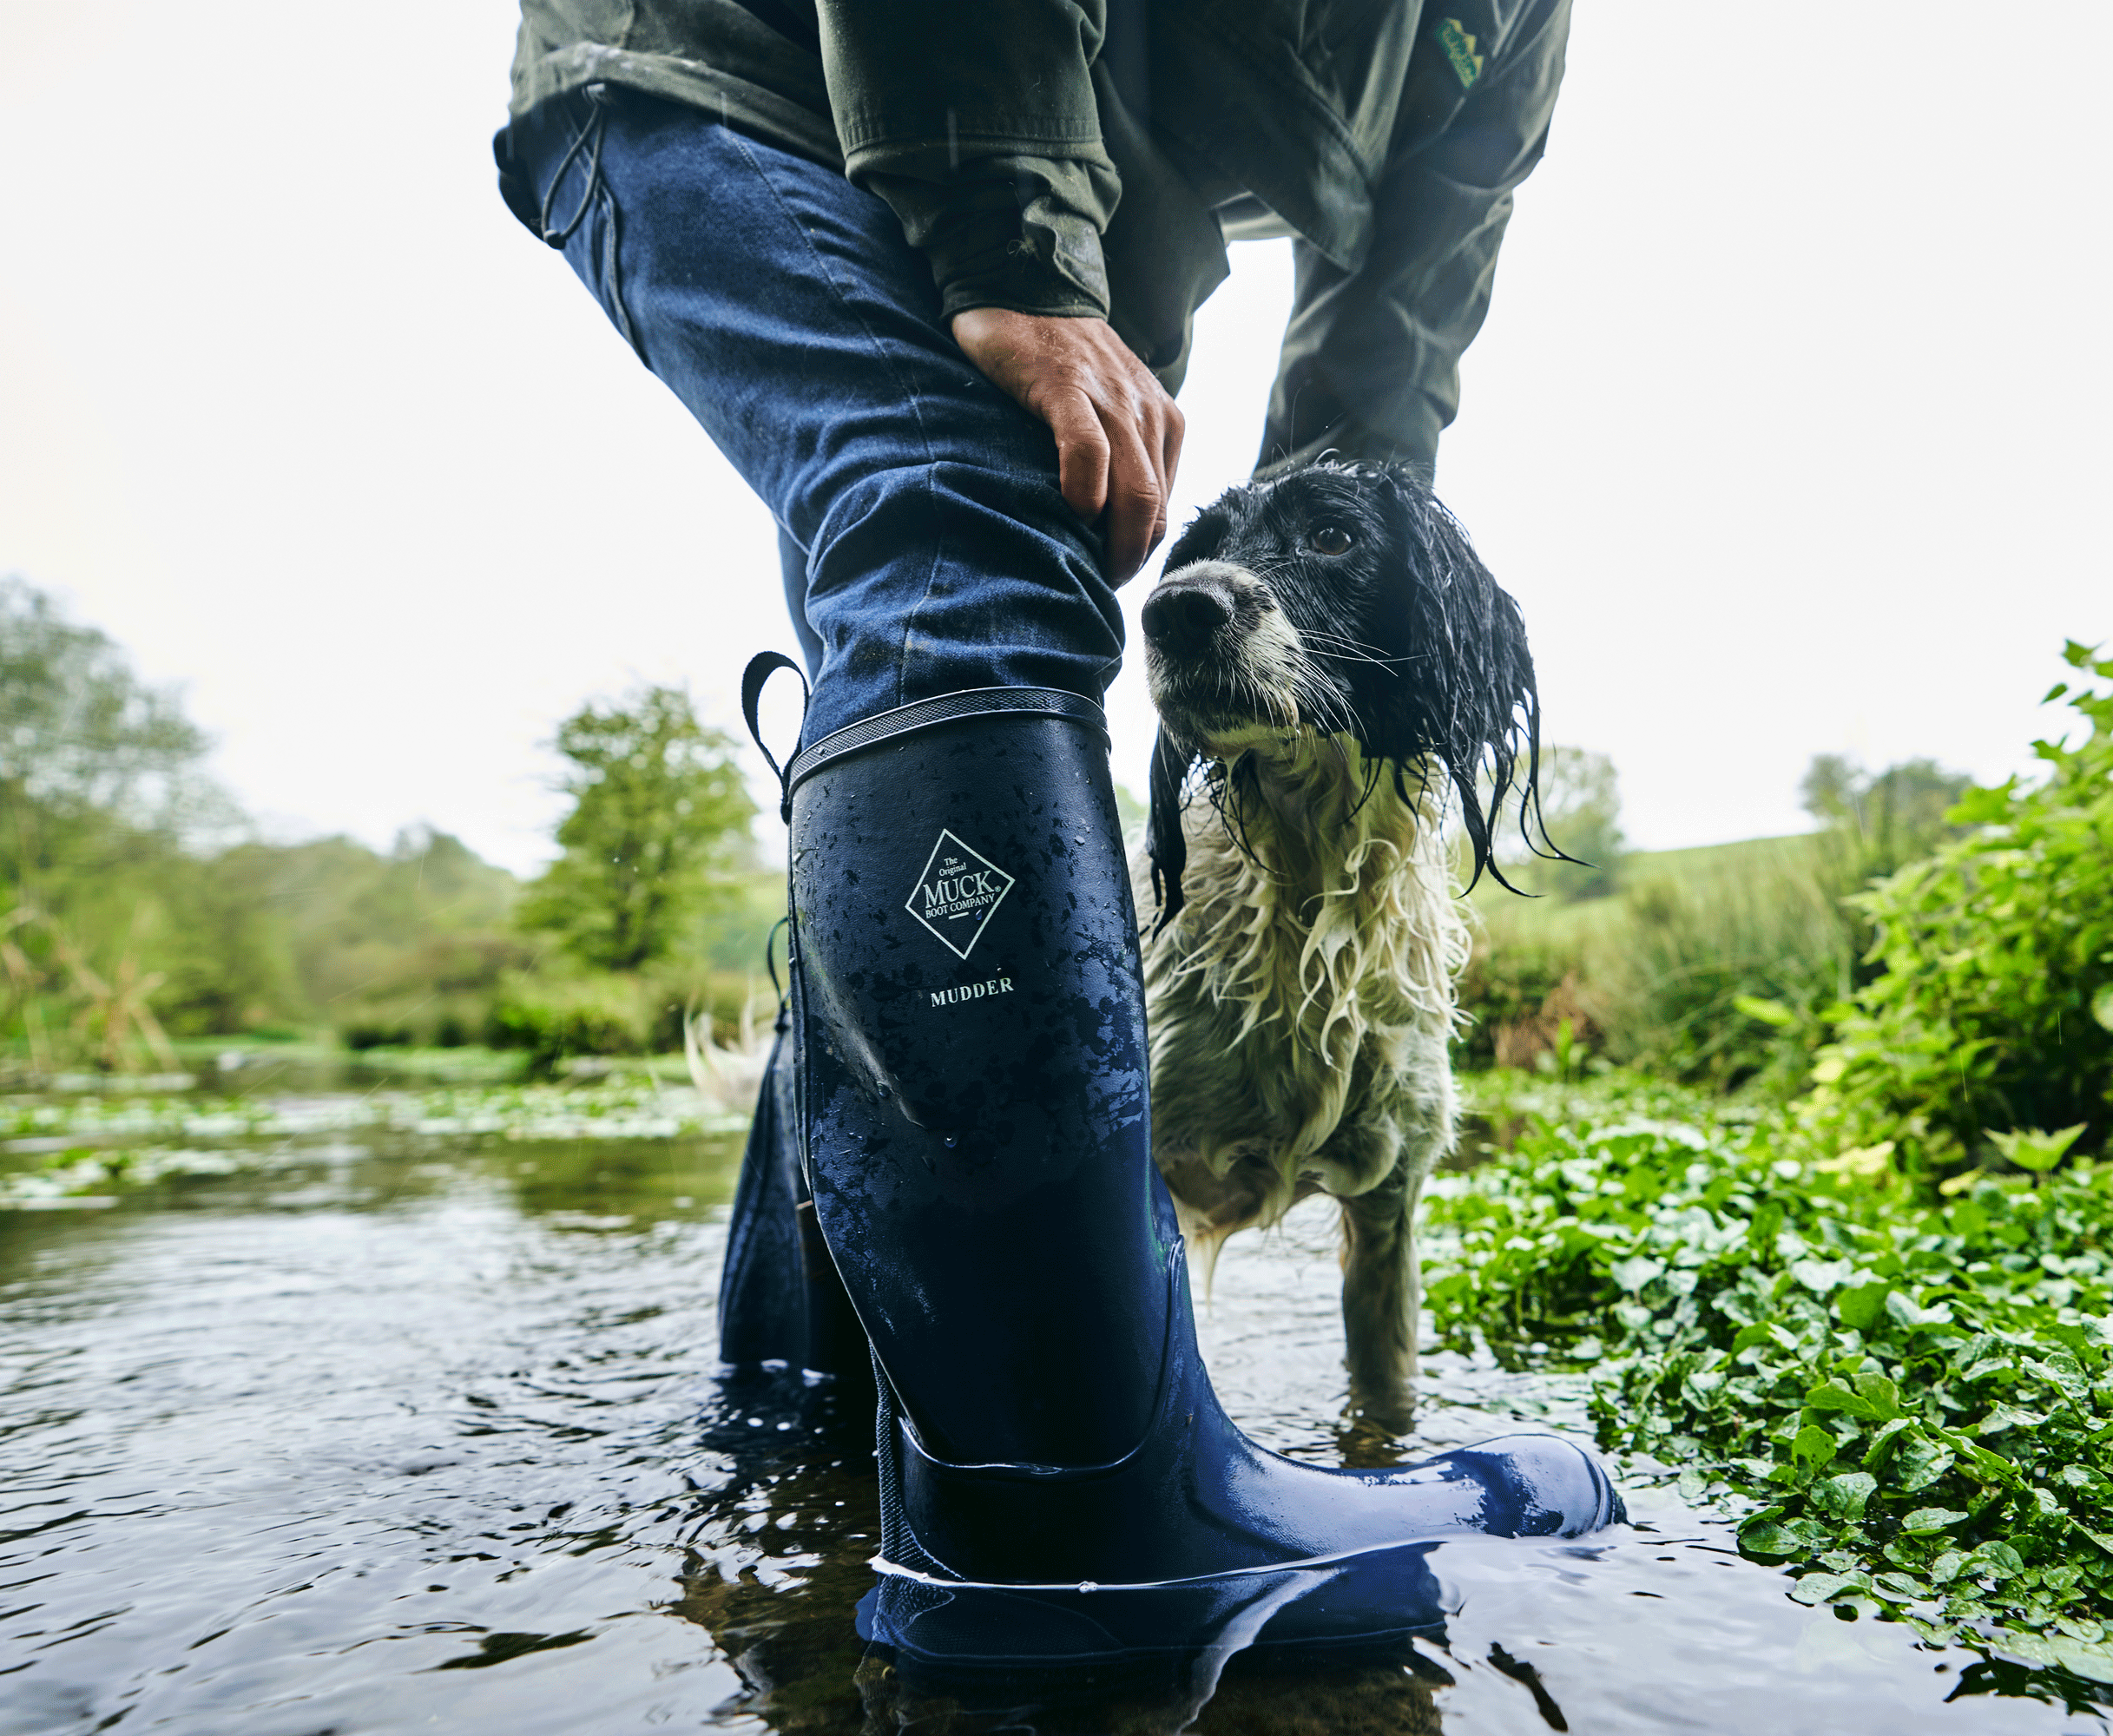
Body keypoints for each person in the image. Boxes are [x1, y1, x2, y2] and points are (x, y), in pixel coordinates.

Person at [494, 0, 1617, 1597]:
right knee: (966, 545)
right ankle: (1075, 1512)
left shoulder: (1512, 26)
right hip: (745, 71)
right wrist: (1011, 248)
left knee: (969, 650)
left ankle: (799, 1409)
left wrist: (1326, 615)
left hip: (1044, 187)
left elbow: (1395, 344)